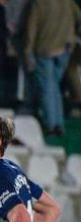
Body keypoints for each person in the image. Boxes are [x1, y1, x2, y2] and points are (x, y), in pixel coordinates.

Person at [24, 0, 81, 137]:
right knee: (54, 87)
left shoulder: (38, 4)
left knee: (47, 88)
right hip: (65, 48)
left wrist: (28, 51)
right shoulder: (68, 3)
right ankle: (58, 122)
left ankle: (52, 125)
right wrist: (73, 37)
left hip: (45, 48)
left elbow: (32, 29)